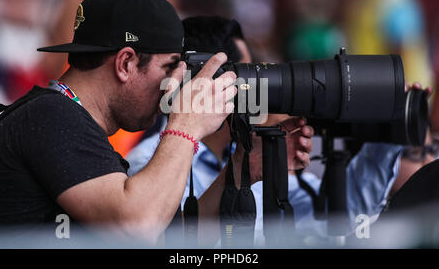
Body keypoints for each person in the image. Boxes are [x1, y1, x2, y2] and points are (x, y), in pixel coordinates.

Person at [0, 0, 252, 245]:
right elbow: (135, 229)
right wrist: (187, 124)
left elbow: (171, 241)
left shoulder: (71, 123)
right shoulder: (49, 116)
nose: (174, 82)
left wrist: (241, 167)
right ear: (126, 63)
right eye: (170, 67)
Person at [127, 15, 408, 245]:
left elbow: (340, 216)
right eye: (246, 72)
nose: (255, 85)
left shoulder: (247, 152)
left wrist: (387, 136)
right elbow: (172, 247)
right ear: (205, 76)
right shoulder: (151, 163)